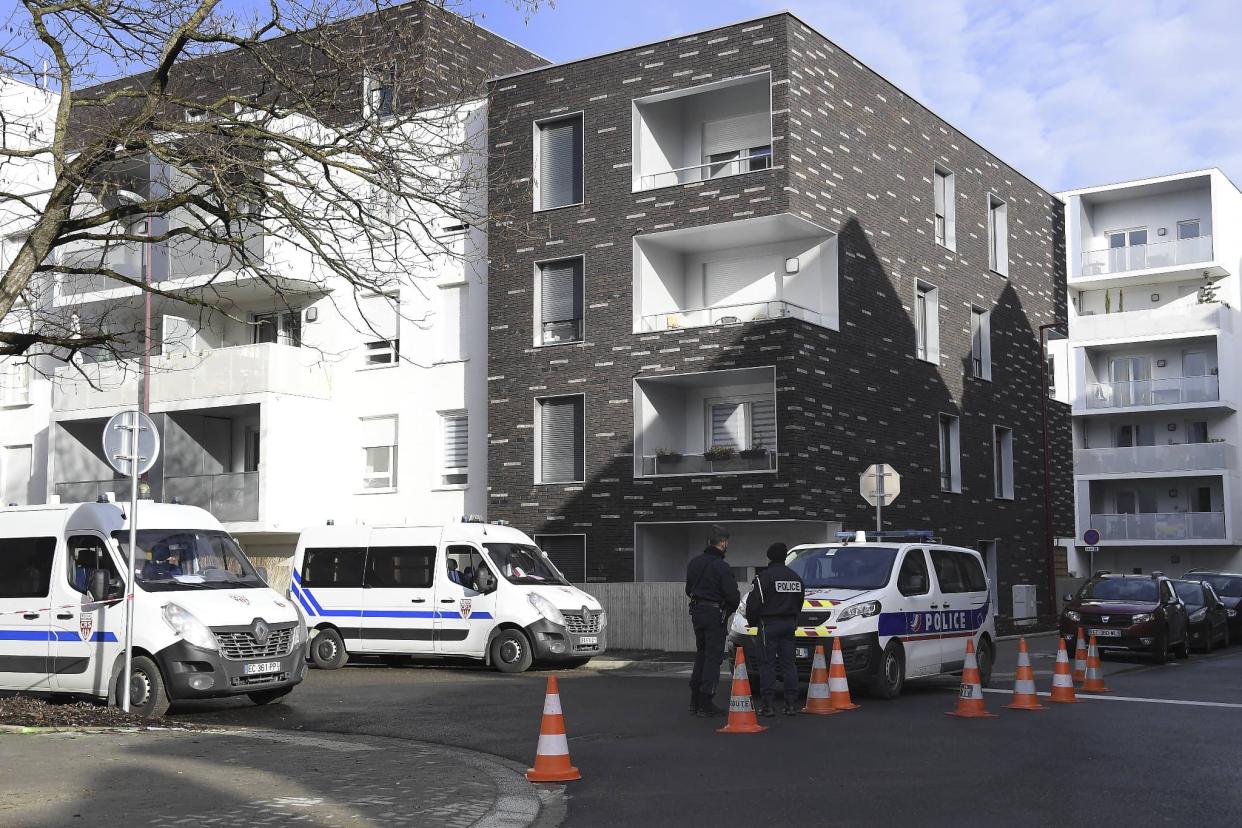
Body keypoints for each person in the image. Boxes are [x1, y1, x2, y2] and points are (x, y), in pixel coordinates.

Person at [685, 526, 740, 717]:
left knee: (701, 655)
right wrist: (726, 609)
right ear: (723, 542)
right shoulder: (721, 567)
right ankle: (706, 701)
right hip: (714, 614)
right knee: (712, 658)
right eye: (726, 542)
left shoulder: (694, 563)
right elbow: (733, 596)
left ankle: (695, 701)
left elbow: (688, 589)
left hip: (697, 612)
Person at [745, 542, 805, 717]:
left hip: (768, 625)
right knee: (789, 664)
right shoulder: (796, 578)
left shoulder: (764, 577)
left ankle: (768, 705)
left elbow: (753, 604)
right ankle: (791, 705)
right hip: (788, 625)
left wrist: (753, 622)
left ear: (769, 557)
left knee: (767, 664)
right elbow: (799, 603)